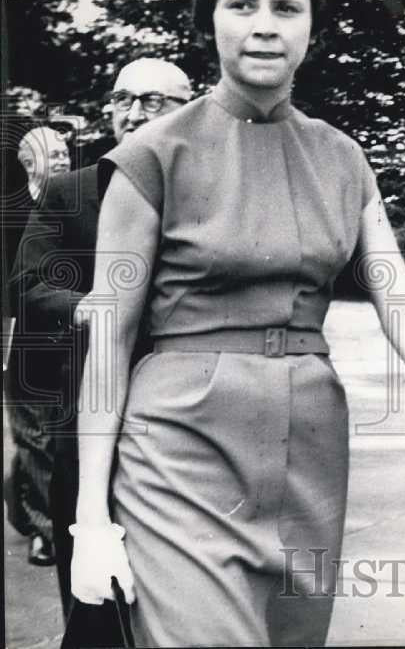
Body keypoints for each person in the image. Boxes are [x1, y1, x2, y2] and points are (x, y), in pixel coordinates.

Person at [68, 0, 405, 647]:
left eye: (286, 7)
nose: (264, 27)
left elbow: (400, 299)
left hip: (310, 440)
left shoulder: (340, 157)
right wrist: (90, 518)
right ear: (209, 18)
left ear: (312, 26)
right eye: (242, 5)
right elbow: (109, 342)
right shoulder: (153, 156)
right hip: (179, 446)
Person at [8, 59, 191, 639]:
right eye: (121, 99)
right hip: (87, 418)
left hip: (189, 425)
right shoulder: (71, 192)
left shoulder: (210, 196)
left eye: (153, 101)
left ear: (190, 108)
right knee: (92, 603)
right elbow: (26, 282)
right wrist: (94, 309)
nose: (133, 114)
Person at [5, 125, 73, 569]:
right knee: (34, 437)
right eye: (55, 155)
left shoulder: (75, 205)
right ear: (29, 164)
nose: (65, 160)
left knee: (61, 437)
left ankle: (27, 504)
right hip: (22, 339)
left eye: (67, 152)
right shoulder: (11, 214)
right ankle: (45, 532)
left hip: (69, 338)